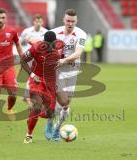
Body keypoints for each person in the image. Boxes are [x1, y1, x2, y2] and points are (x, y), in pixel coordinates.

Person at [45, 8, 87, 141]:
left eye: (73, 21)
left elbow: (78, 53)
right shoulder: (55, 32)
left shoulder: (81, 34)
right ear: (64, 20)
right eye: (68, 20)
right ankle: (50, 123)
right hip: (58, 70)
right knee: (62, 100)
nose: (70, 23)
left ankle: (57, 127)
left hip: (72, 70)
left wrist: (64, 60)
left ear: (76, 21)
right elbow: (42, 43)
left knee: (66, 104)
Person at [20, 31, 63, 143]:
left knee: (50, 113)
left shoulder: (57, 51)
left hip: (50, 82)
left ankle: (33, 114)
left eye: (52, 44)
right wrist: (32, 75)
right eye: (47, 44)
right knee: (37, 106)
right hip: (37, 79)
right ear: (44, 42)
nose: (50, 47)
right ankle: (29, 135)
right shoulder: (35, 48)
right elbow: (23, 61)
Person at [20, 14, 48, 106]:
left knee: (33, 77)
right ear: (34, 22)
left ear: (42, 22)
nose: (38, 23)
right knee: (31, 77)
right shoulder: (26, 31)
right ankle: (30, 97)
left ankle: (27, 97)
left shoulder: (46, 32)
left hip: (39, 59)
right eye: (37, 21)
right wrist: (23, 53)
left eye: (40, 21)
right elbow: (20, 42)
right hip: (29, 58)